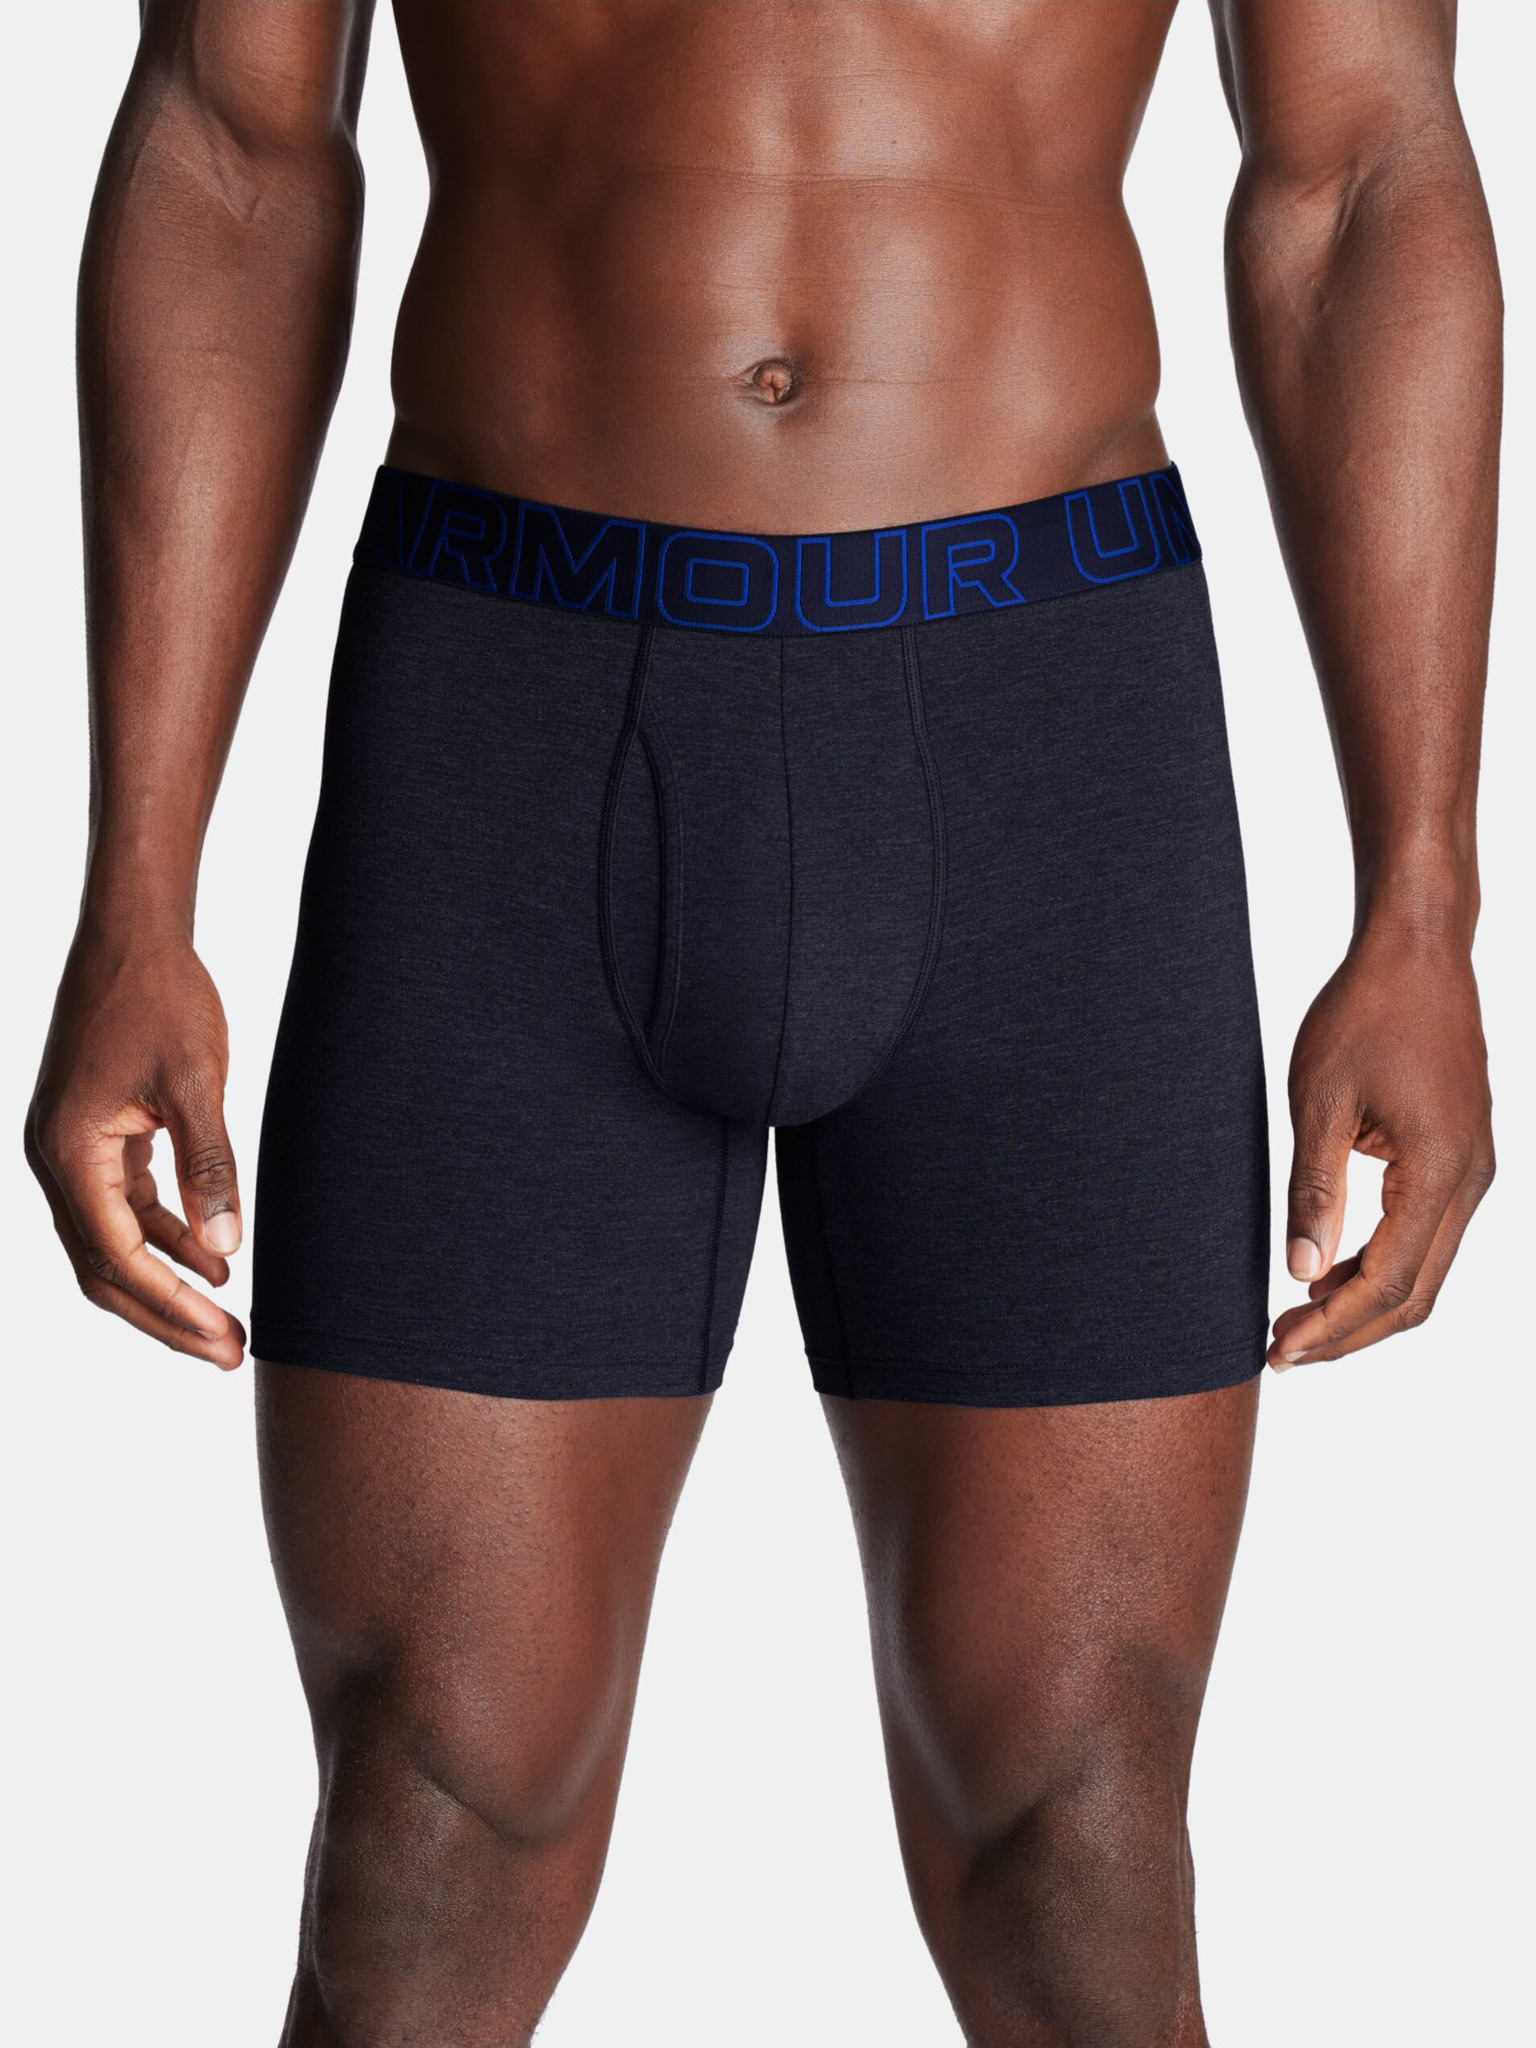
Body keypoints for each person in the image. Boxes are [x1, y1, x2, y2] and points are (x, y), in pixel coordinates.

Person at [25, 4, 1498, 2044]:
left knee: (1076, 1842)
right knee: (429, 1827)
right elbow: (231, 146)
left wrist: (1423, 900)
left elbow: (1359, 175)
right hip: (508, 712)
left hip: (1044, 723)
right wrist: (137, 890)